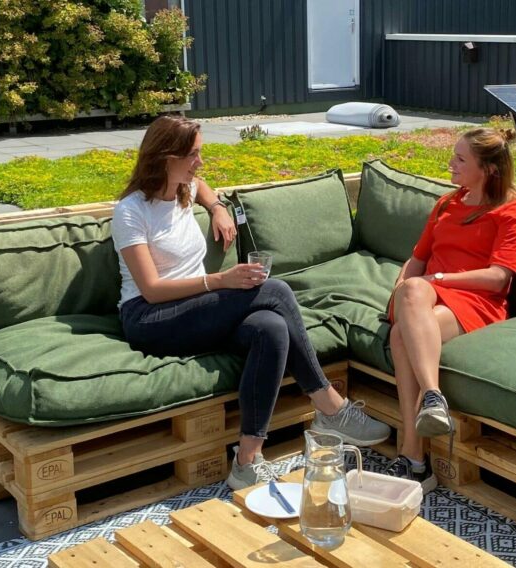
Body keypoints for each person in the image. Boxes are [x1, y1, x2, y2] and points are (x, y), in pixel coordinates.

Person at [112, 115, 390, 491]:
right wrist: (220, 281)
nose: (200, 162)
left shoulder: (184, 188)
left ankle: (246, 460)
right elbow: (152, 289)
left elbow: (203, 186)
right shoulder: (131, 211)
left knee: (271, 328)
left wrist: (218, 208)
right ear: (165, 157)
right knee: (275, 291)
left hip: (201, 309)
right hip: (151, 317)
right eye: (193, 154)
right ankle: (329, 404)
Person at [384, 128, 516, 492]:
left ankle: (413, 456)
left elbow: (498, 279)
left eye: (460, 159)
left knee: (401, 333)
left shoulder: (512, 212)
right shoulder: (447, 204)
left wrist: (438, 279)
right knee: (409, 300)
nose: (450, 163)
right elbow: (416, 259)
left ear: (490, 169)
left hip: (477, 303)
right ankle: (432, 404)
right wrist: (398, 292)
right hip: (427, 297)